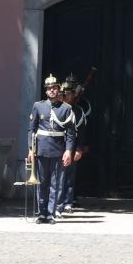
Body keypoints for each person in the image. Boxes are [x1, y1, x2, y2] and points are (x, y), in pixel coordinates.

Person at [27, 74, 75, 223]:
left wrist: (68, 150)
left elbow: (71, 133)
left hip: (58, 150)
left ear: (58, 89)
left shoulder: (66, 109)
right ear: (46, 91)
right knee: (41, 183)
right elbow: (31, 129)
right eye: (49, 88)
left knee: (56, 184)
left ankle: (51, 213)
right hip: (41, 149)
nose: (52, 91)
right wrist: (30, 149)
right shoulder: (38, 106)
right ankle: (42, 213)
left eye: (54, 88)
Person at [55, 77, 84, 217]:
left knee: (69, 177)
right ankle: (55, 202)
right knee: (57, 177)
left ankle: (68, 202)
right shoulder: (56, 109)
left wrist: (79, 148)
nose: (69, 96)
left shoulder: (77, 111)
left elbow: (81, 132)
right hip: (57, 147)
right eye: (66, 93)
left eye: (71, 93)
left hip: (71, 148)